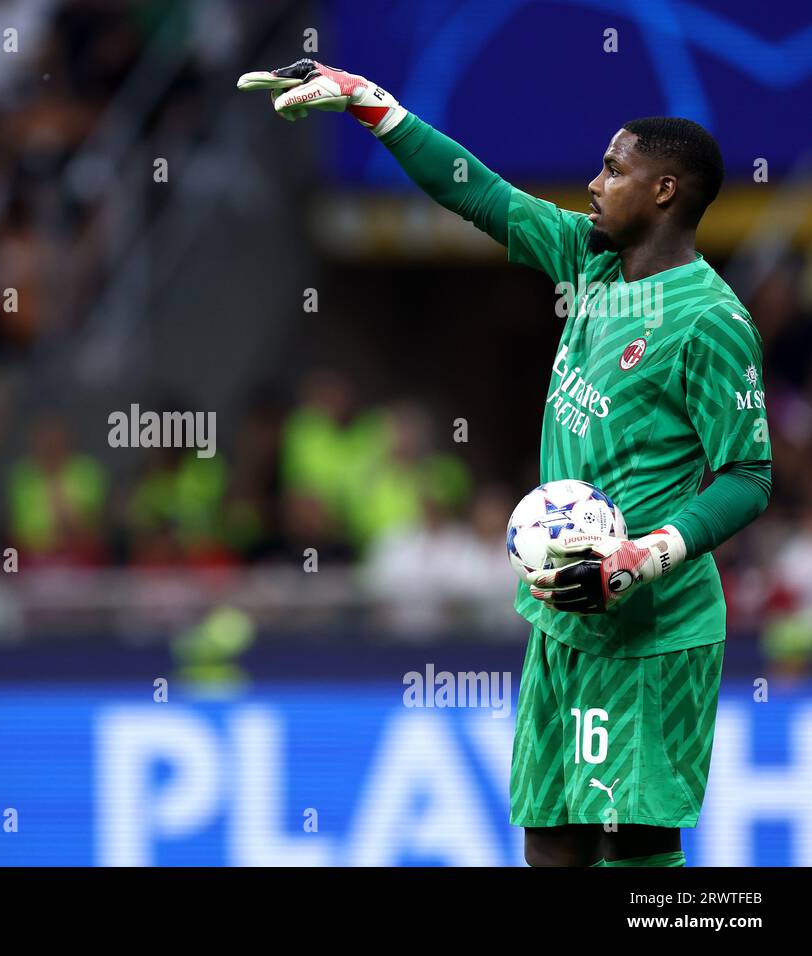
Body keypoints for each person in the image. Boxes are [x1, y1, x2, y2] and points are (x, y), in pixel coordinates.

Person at [238, 60, 772, 867]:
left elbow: (748, 476)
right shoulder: (591, 263)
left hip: (653, 629)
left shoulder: (711, 322)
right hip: (563, 614)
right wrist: (368, 103)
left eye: (614, 170)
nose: (594, 183)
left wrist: (642, 557)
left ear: (665, 191)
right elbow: (480, 195)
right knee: (551, 844)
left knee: (633, 842)